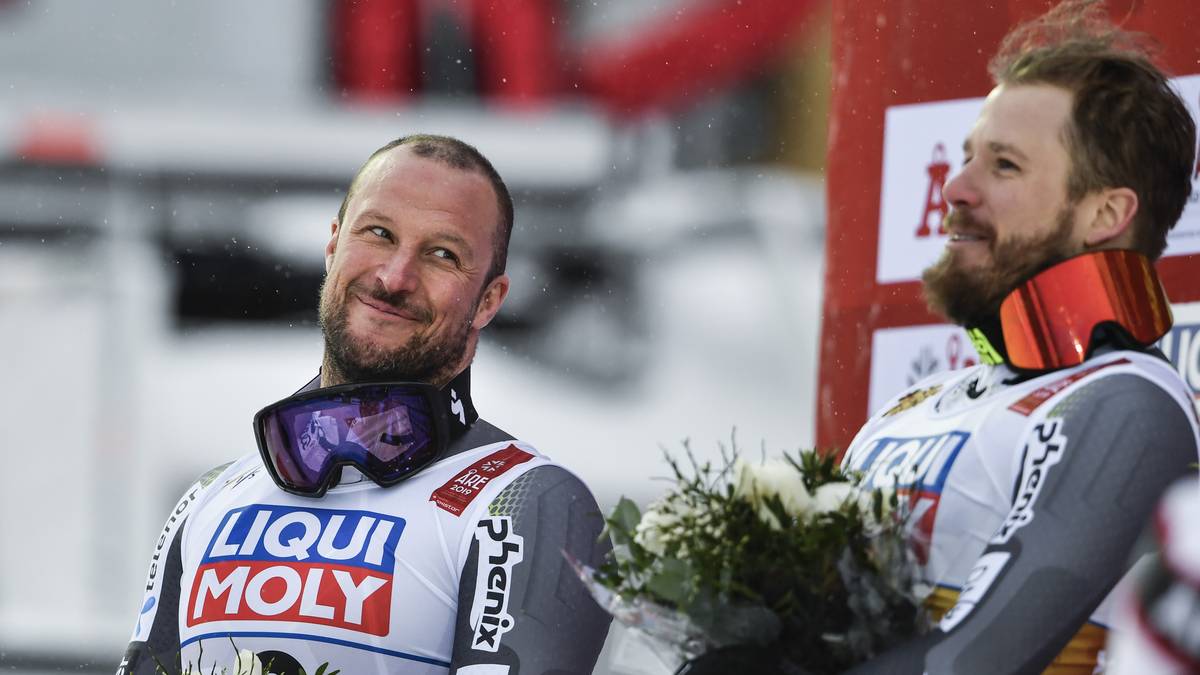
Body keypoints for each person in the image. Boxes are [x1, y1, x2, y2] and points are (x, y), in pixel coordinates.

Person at [117, 135, 613, 675]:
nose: (394, 278)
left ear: (488, 301)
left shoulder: (524, 501)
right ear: (333, 246)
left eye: (443, 255)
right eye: (378, 233)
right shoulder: (211, 497)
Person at [840, 1, 1200, 673]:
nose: (954, 188)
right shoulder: (910, 406)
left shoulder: (1129, 404)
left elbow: (971, 663)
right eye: (967, 158)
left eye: (1003, 165)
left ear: (1105, 213)